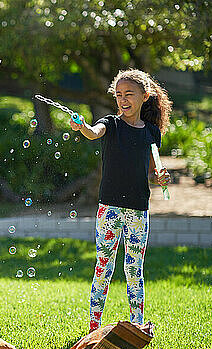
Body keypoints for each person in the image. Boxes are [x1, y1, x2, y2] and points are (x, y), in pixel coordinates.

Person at [69, 69, 172, 332]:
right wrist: (82, 126)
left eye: (129, 94)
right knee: (103, 267)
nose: (123, 100)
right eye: (118, 95)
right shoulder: (111, 124)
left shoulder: (151, 132)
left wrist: (162, 177)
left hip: (139, 210)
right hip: (110, 208)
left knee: (134, 270)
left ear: (145, 96)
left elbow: (153, 169)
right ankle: (94, 328)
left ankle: (137, 328)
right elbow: (93, 132)